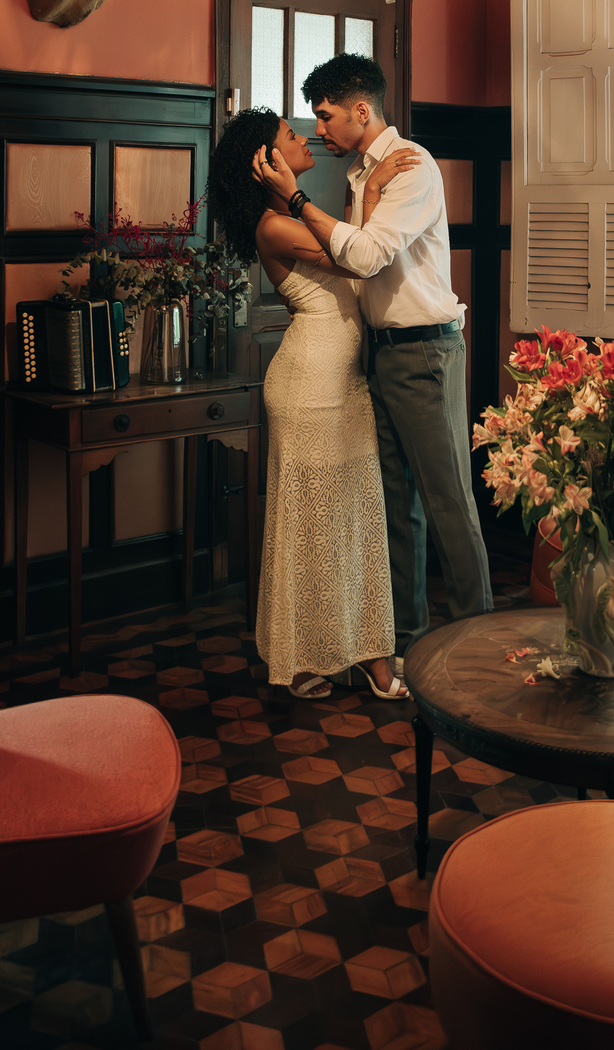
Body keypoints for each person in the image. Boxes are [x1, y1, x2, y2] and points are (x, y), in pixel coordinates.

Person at [253, 53, 493, 667]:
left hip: (426, 352)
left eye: (325, 116)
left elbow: (362, 258)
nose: (318, 130)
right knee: (397, 509)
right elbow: (356, 261)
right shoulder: (365, 175)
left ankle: (479, 652)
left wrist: (297, 198)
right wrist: (365, 192)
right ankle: (408, 645)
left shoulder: (412, 166)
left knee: (448, 503)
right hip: (379, 355)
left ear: (361, 110)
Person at [208, 106, 419, 700]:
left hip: (341, 383)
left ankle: (358, 655)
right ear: (267, 161)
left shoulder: (290, 217)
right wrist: (370, 191)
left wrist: (355, 198)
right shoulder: (275, 227)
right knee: (312, 526)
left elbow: (352, 247)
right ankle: (315, 661)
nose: (304, 138)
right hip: (310, 387)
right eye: (289, 135)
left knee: (355, 521)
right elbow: (358, 259)